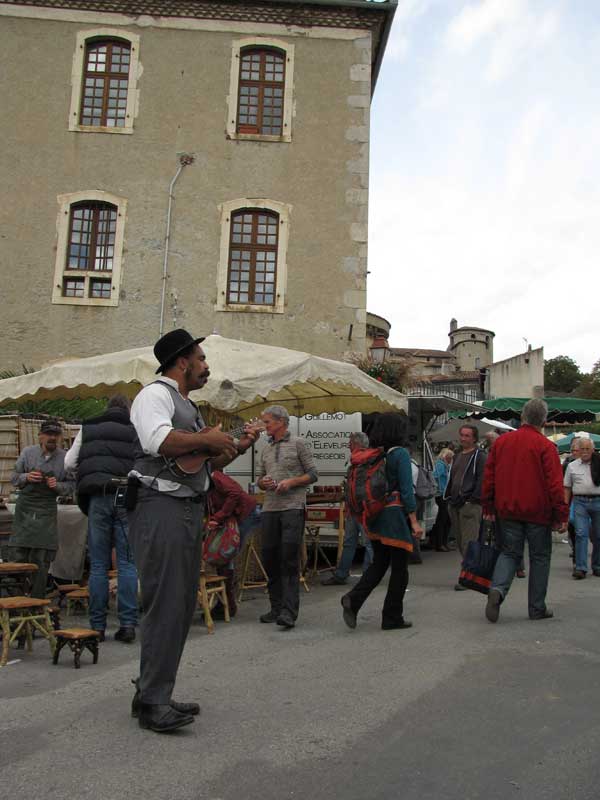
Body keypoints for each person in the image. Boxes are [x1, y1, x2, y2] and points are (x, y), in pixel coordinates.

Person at [127, 329, 259, 733]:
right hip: (159, 506)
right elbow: (158, 440)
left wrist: (236, 445)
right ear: (182, 362)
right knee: (167, 602)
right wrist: (207, 439)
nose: (206, 366)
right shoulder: (154, 396)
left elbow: (202, 464)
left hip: (183, 507)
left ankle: (151, 691)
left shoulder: (189, 406)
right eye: (200, 359)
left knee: (180, 604)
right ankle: (153, 702)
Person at [482, 399, 569, 623]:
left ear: (522, 417)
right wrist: (561, 515)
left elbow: (489, 477)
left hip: (507, 509)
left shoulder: (501, 443)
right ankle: (536, 607)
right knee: (540, 557)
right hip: (538, 511)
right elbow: (555, 485)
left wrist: (488, 505)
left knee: (509, 553)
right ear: (544, 421)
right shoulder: (546, 446)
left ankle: (497, 589)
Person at [64, 394, 138, 643]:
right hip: (125, 496)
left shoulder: (89, 426)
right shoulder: (135, 427)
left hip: (97, 496)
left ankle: (97, 627)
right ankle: (128, 624)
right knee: (127, 563)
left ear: (107, 408)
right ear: (128, 409)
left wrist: (90, 472)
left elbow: (69, 463)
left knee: (98, 564)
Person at [340, 412, 423, 631]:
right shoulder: (400, 454)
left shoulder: (374, 454)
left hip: (374, 515)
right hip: (394, 517)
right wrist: (414, 520)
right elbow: (406, 490)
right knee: (400, 569)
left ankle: (353, 599)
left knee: (379, 563)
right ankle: (391, 617)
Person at [257, 405, 318, 629]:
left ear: (281, 422)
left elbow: (313, 474)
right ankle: (276, 607)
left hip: (292, 507)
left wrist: (292, 482)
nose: (264, 426)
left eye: (267, 422)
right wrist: (263, 482)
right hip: (270, 508)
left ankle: (288, 612)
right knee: (270, 558)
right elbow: (260, 479)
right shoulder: (265, 448)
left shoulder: (299, 443)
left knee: (288, 558)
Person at [9, 419, 74, 598]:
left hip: (47, 509)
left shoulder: (65, 458)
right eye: (49, 434)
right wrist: (26, 477)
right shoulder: (28, 453)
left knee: (41, 558)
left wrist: (57, 485)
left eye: (56, 435)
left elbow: (72, 485)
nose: (52, 438)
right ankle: (16, 600)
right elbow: (13, 477)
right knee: (19, 555)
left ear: (60, 437)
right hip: (25, 508)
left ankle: (37, 601)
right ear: (40, 436)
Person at [321, 431, 374, 586]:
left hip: (357, 510)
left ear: (356, 444)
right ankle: (367, 576)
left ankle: (343, 575)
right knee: (367, 544)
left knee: (352, 543)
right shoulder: (369, 461)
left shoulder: (357, 462)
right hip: (362, 509)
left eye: (350, 443)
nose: (348, 446)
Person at [207, 469, 260, 618]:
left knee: (225, 555)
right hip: (235, 515)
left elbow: (235, 492)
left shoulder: (215, 476)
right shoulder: (203, 482)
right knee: (224, 558)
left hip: (245, 513)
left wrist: (219, 516)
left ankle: (228, 605)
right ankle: (227, 604)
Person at [443, 424, 486, 590]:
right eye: (462, 435)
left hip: (470, 504)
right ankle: (471, 573)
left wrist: (473, 499)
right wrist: (449, 497)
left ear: (474, 438)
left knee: (469, 542)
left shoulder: (479, 456)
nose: (463, 438)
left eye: (467, 435)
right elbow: (452, 478)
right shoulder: (457, 456)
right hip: (455, 503)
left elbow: (482, 479)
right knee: (461, 542)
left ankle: (468, 578)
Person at [564, 437, 600, 579]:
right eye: (582, 449)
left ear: (593, 450)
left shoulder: (599, 463)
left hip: (598, 501)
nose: (585, 452)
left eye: (587, 449)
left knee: (598, 535)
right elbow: (567, 487)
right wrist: (565, 506)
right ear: (578, 450)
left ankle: (597, 566)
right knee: (580, 534)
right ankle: (580, 568)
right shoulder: (572, 466)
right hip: (580, 502)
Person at [430, 448, 453, 552]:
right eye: (449, 457)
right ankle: (440, 543)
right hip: (441, 494)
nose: (450, 459)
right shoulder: (440, 465)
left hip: (444, 494)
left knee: (445, 520)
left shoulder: (445, 465)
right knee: (443, 519)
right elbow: (435, 476)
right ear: (445, 456)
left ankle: (440, 542)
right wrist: (438, 487)